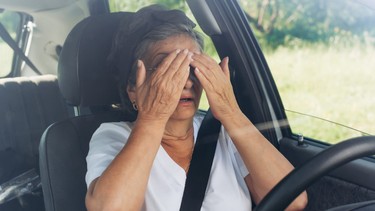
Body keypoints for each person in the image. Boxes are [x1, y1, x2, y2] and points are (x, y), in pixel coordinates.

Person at [85, 4, 308, 211]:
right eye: (168, 68)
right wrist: (152, 118)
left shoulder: (224, 133)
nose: (187, 81)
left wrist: (231, 112)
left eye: (193, 67)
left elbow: (293, 202)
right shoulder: (115, 136)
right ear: (132, 87)